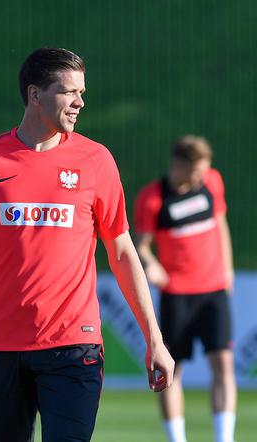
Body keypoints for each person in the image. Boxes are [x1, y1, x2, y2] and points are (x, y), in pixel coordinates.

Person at [0, 47, 175, 442]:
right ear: (35, 94)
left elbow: (123, 253)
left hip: (74, 345)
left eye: (82, 92)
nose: (80, 102)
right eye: (68, 91)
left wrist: (154, 339)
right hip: (0, 345)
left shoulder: (96, 160)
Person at [134, 135, 236, 442]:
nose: (202, 177)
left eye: (205, 171)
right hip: (177, 294)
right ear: (180, 165)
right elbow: (141, 246)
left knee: (223, 364)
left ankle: (224, 437)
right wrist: (150, 263)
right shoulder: (153, 198)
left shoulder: (212, 183)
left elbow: (220, 224)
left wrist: (227, 270)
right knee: (171, 370)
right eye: (197, 171)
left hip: (214, 290)